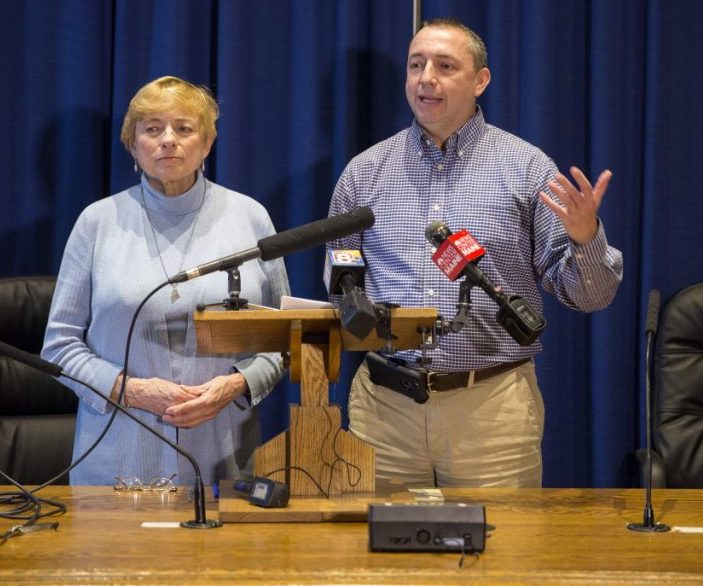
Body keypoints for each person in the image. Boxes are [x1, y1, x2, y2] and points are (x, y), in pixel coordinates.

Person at [328, 18, 623, 488]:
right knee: (378, 557)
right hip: (384, 411)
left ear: (480, 81)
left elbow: (590, 297)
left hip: (491, 410)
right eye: (416, 65)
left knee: (503, 555)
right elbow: (343, 285)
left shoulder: (526, 168)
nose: (427, 78)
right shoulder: (364, 173)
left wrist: (586, 238)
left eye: (445, 66)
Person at [42, 76, 290, 486]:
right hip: (117, 461)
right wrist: (132, 391)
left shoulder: (250, 217)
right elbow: (59, 348)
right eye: (152, 129)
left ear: (207, 143)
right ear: (133, 145)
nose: (168, 140)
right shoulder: (96, 223)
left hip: (223, 461)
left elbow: (286, 338)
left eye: (184, 128)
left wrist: (236, 384)